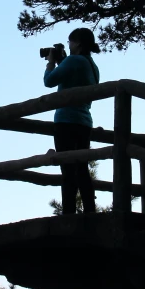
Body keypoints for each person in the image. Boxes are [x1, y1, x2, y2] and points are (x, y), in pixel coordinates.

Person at [43, 27, 101, 214]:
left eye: (70, 41)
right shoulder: (92, 65)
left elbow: (49, 81)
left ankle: (68, 213)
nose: (68, 44)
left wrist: (51, 63)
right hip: (84, 122)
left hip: (66, 121)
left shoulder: (74, 60)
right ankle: (89, 211)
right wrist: (63, 61)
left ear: (77, 43)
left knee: (67, 169)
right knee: (81, 168)